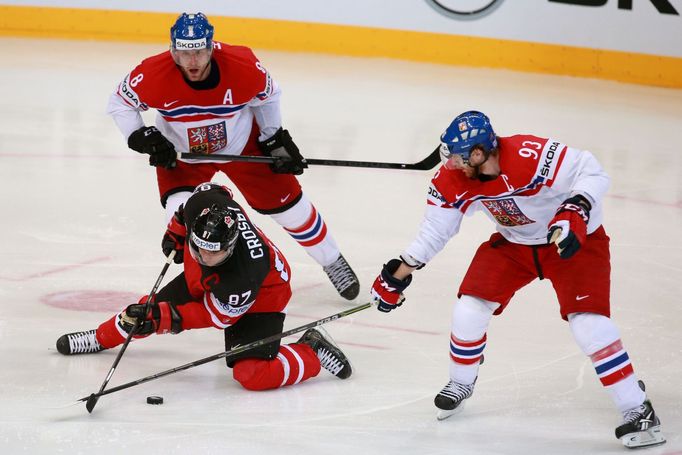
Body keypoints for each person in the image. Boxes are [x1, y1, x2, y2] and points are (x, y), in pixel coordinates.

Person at [369, 111, 665, 449]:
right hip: (515, 244)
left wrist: (576, 209)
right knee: (468, 310)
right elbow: (436, 230)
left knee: (589, 325)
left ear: (479, 153)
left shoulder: (530, 153)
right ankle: (461, 382)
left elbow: (592, 170)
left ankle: (637, 409)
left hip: (570, 240)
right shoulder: (454, 178)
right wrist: (399, 272)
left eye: (460, 156)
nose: (453, 164)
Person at [105, 12, 359, 300]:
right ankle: (219, 283)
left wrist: (273, 138)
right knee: (187, 220)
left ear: (211, 47)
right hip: (183, 157)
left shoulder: (242, 65)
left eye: (199, 52)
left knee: (291, 208)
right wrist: (141, 136)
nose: (192, 62)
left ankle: (332, 260)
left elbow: (268, 96)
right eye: (184, 53)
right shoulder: (151, 73)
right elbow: (120, 102)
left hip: (242, 146)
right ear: (173, 49)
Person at [56, 182, 352, 391]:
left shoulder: (244, 276)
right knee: (144, 309)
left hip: (264, 296)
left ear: (231, 245)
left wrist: (165, 319)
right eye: (200, 249)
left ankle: (310, 349)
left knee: (252, 375)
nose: (206, 257)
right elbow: (208, 194)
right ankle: (100, 337)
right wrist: (177, 229)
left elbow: (217, 316)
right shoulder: (204, 206)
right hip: (213, 281)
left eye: (215, 252)